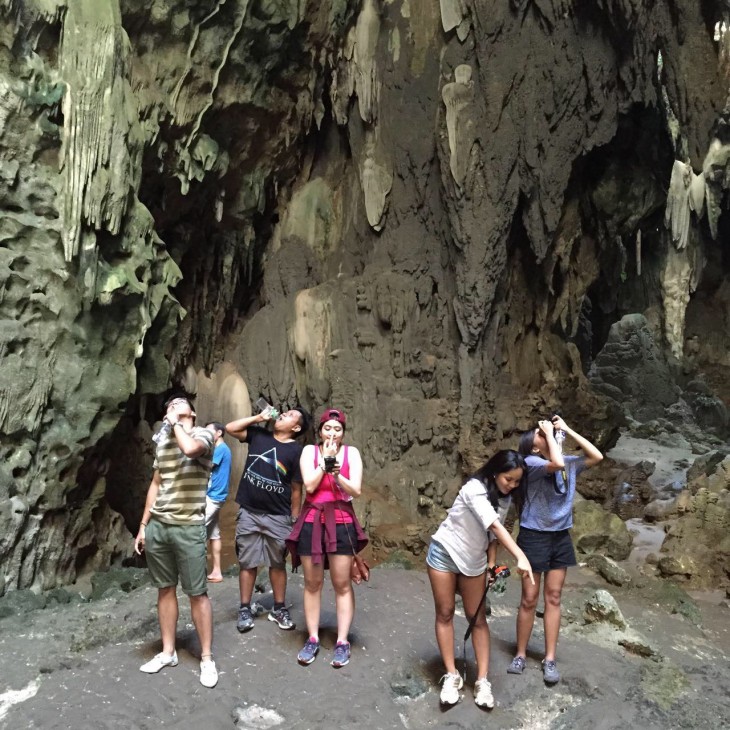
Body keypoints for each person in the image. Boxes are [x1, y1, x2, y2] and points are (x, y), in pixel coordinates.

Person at [426, 450, 534, 707]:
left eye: (517, 481)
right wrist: (520, 555)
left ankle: (482, 682)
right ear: (496, 472)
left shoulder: (504, 499)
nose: (513, 485)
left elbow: (493, 537)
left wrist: (491, 565)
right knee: (445, 612)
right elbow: (494, 525)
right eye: (509, 479)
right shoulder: (474, 488)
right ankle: (452, 675)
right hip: (445, 553)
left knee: (477, 618)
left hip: (473, 561)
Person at [507, 416, 603, 684]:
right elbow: (557, 462)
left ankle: (549, 658)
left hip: (560, 536)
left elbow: (596, 456)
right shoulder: (532, 464)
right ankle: (521, 654)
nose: (543, 431)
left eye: (543, 431)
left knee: (554, 597)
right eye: (539, 433)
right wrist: (550, 432)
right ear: (536, 447)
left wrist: (568, 428)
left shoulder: (568, 464)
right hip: (534, 535)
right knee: (529, 597)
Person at [134, 395, 218, 688]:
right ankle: (168, 651)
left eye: (179, 403)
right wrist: (144, 526)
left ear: (192, 413)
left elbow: (192, 450)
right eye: (170, 404)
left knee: (197, 593)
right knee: (165, 589)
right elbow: (156, 484)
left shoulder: (204, 433)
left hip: (189, 527)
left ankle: (207, 657)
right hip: (160, 526)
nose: (173, 405)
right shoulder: (164, 441)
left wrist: (174, 425)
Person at [286, 408, 367, 669]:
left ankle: (342, 641)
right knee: (312, 583)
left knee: (342, 583)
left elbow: (355, 488)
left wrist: (335, 473)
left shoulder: (351, 453)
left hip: (341, 520)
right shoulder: (310, 452)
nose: (332, 433)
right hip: (312, 520)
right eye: (328, 428)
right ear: (320, 430)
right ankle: (312, 637)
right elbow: (309, 486)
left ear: (343, 433)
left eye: (338, 429)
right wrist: (324, 463)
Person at [226, 405, 309, 633]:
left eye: (290, 415)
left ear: (296, 427)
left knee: (277, 563)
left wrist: (294, 520)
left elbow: (296, 489)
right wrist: (258, 418)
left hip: (278, 516)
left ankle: (279, 608)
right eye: (285, 412)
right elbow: (230, 428)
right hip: (249, 511)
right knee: (247, 562)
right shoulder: (259, 435)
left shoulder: (296, 451)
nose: (283, 414)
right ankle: (244, 608)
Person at [204, 422, 232, 583]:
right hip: (216, 495)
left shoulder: (221, 449)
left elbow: (208, 465)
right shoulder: (222, 449)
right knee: (214, 534)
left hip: (213, 496)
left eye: (209, 432)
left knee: (196, 531)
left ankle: (196, 572)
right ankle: (216, 571)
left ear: (219, 433)